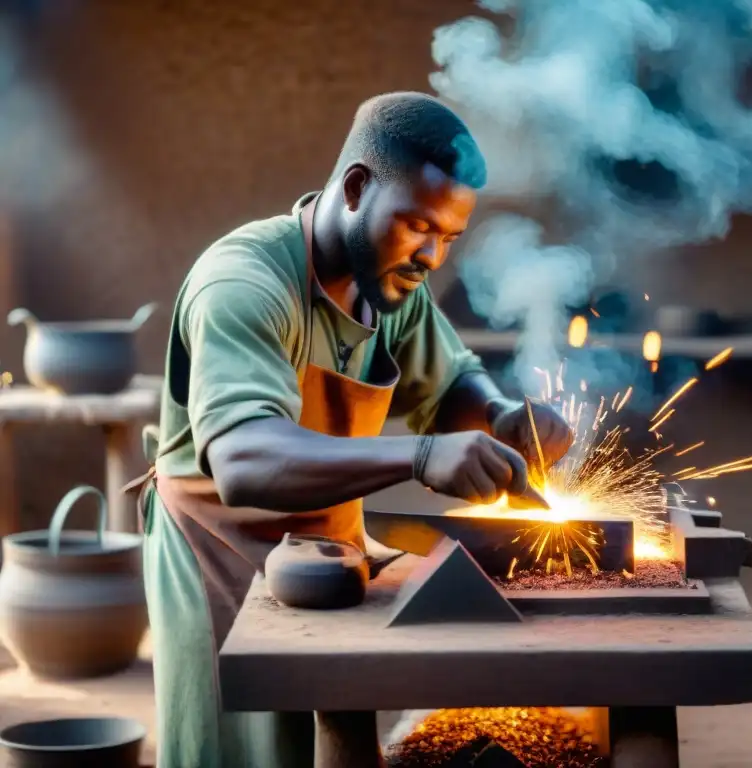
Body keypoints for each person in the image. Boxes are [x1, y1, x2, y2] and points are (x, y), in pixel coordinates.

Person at [135, 91, 573, 768]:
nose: (433, 256)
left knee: (336, 743)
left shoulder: (390, 283)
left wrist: (503, 418)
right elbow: (244, 461)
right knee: (234, 750)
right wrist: (422, 455)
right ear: (357, 187)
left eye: (450, 239)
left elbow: (453, 382)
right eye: (419, 225)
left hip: (329, 555)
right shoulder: (244, 283)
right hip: (217, 551)